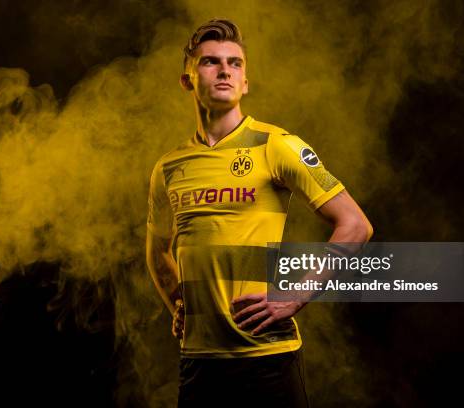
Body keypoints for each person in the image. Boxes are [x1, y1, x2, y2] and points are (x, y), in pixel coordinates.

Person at [145, 19, 373, 407]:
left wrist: (296, 295)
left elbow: (355, 225)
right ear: (187, 81)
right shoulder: (168, 168)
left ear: (245, 83)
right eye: (210, 62)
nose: (224, 71)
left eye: (235, 63)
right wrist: (179, 304)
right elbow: (157, 252)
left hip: (267, 360)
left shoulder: (277, 146)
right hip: (200, 364)